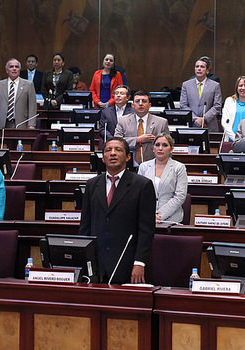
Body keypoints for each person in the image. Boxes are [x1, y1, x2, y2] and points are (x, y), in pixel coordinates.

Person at [79, 137, 156, 284]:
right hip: (96, 263)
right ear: (103, 158)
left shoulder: (142, 185)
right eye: (108, 150)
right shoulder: (92, 185)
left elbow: (147, 229)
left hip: (127, 261)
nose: (113, 153)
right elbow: (85, 226)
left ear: (128, 157)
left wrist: (140, 262)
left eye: (118, 150)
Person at [137, 134, 188, 225]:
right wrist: (149, 215)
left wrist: (159, 215)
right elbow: (138, 194)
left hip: (171, 219)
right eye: (157, 145)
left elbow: (180, 196)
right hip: (146, 217)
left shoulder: (179, 167)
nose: (160, 148)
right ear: (153, 148)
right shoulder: (144, 166)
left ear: (171, 149)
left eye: (165, 145)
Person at [115, 91, 170, 166]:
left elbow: (168, 146)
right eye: (137, 101)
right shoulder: (123, 121)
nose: (140, 104)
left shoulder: (161, 122)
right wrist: (138, 140)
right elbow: (117, 142)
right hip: (128, 165)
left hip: (153, 166)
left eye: (144, 101)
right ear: (133, 105)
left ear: (149, 105)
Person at [179, 58, 223, 132]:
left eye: (202, 67)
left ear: (207, 70)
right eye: (197, 66)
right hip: (192, 125)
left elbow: (217, 105)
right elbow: (183, 105)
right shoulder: (186, 85)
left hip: (210, 125)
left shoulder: (215, 85)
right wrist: (195, 119)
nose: (199, 69)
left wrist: (204, 119)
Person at [0, 58, 37, 129]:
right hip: (1, 124)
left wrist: (31, 124)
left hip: (21, 123)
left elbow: (32, 107)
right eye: (11, 67)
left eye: (16, 67)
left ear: (19, 70)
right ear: (7, 70)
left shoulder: (29, 84)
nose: (14, 69)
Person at [221, 76, 245, 142]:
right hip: (231, 139)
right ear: (237, 87)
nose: (243, 88)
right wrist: (235, 138)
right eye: (240, 85)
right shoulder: (229, 101)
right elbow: (224, 123)